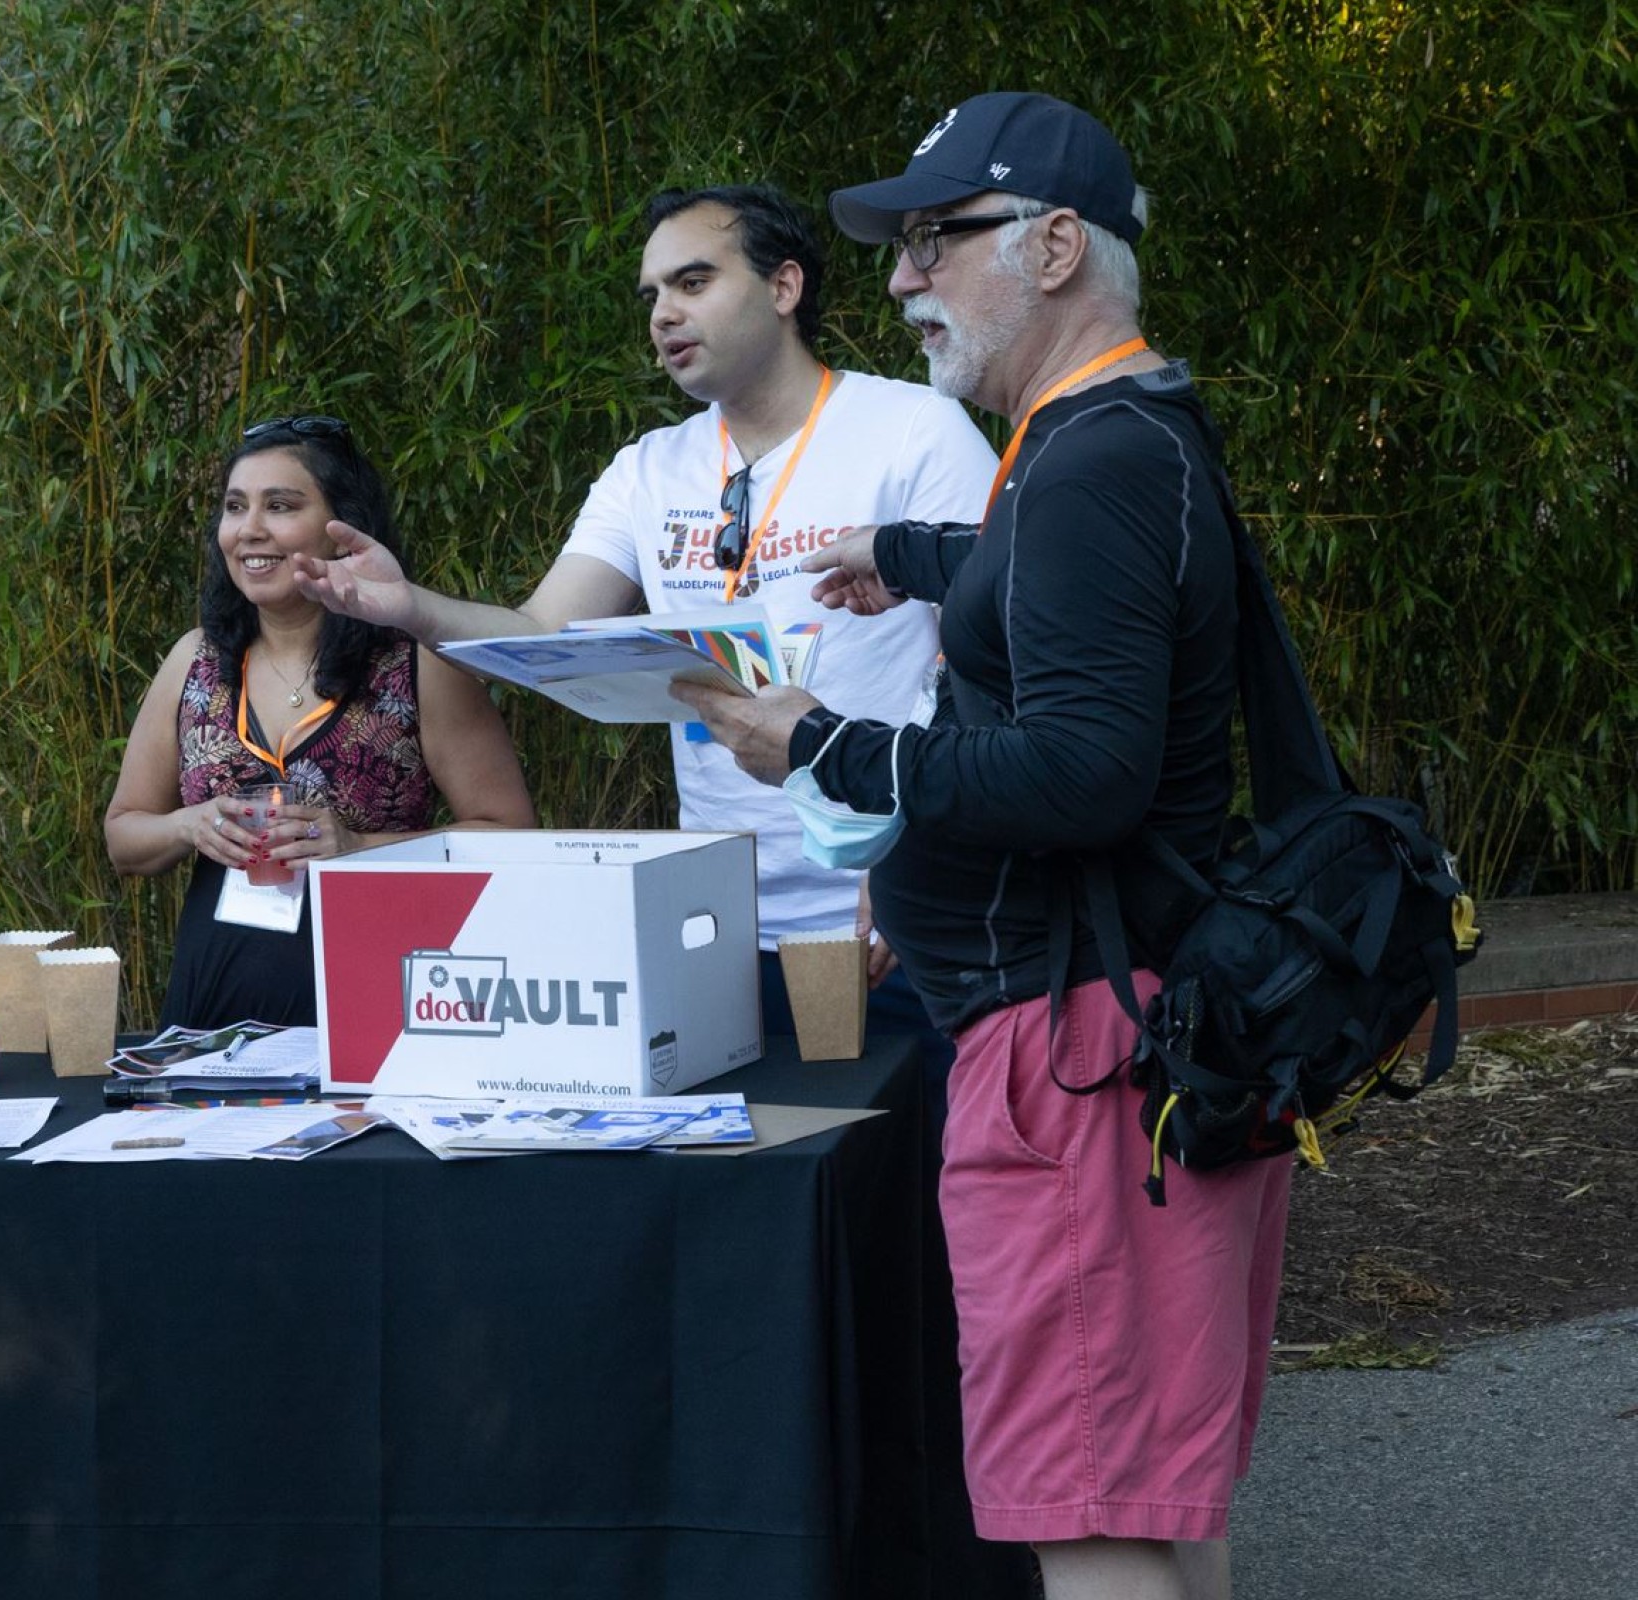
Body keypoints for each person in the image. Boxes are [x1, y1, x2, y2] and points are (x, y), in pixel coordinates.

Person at [674, 94, 1291, 1600]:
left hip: (1073, 1057)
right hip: (1136, 1030)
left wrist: (817, 742)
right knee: (1151, 1500)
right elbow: (1071, 595)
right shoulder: (1119, 432)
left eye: (937, 241)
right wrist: (914, 553)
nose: (900, 279)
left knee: (1088, 1518)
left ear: (1059, 246)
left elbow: (1083, 770)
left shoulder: (1086, 464)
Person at [288, 185, 997, 1043]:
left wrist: (915, 853)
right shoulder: (650, 468)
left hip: (890, 920)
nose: (663, 314)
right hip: (709, 925)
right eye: (653, 295)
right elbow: (545, 633)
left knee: (903, 1170)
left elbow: (989, 657)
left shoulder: (916, 429)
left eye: (692, 282)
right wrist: (412, 607)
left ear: (784, 287)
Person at [105, 414, 535, 1029]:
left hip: (381, 1006)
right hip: (210, 1017)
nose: (249, 530)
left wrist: (362, 848)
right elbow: (123, 836)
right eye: (234, 507)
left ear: (343, 531)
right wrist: (190, 824)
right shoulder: (195, 661)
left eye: (279, 506)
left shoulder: (414, 664)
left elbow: (513, 834)